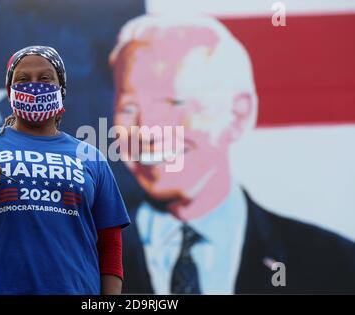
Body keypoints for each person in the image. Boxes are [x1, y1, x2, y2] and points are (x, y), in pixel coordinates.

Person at [109, 15, 355, 294]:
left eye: (173, 103)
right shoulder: (80, 258)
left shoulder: (334, 266)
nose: (147, 131)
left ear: (238, 114)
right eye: (129, 108)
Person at [0, 46, 130, 295]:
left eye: (45, 78)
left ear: (61, 89)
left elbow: (110, 248)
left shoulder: (92, 158)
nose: (34, 86)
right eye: (22, 79)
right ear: (9, 91)